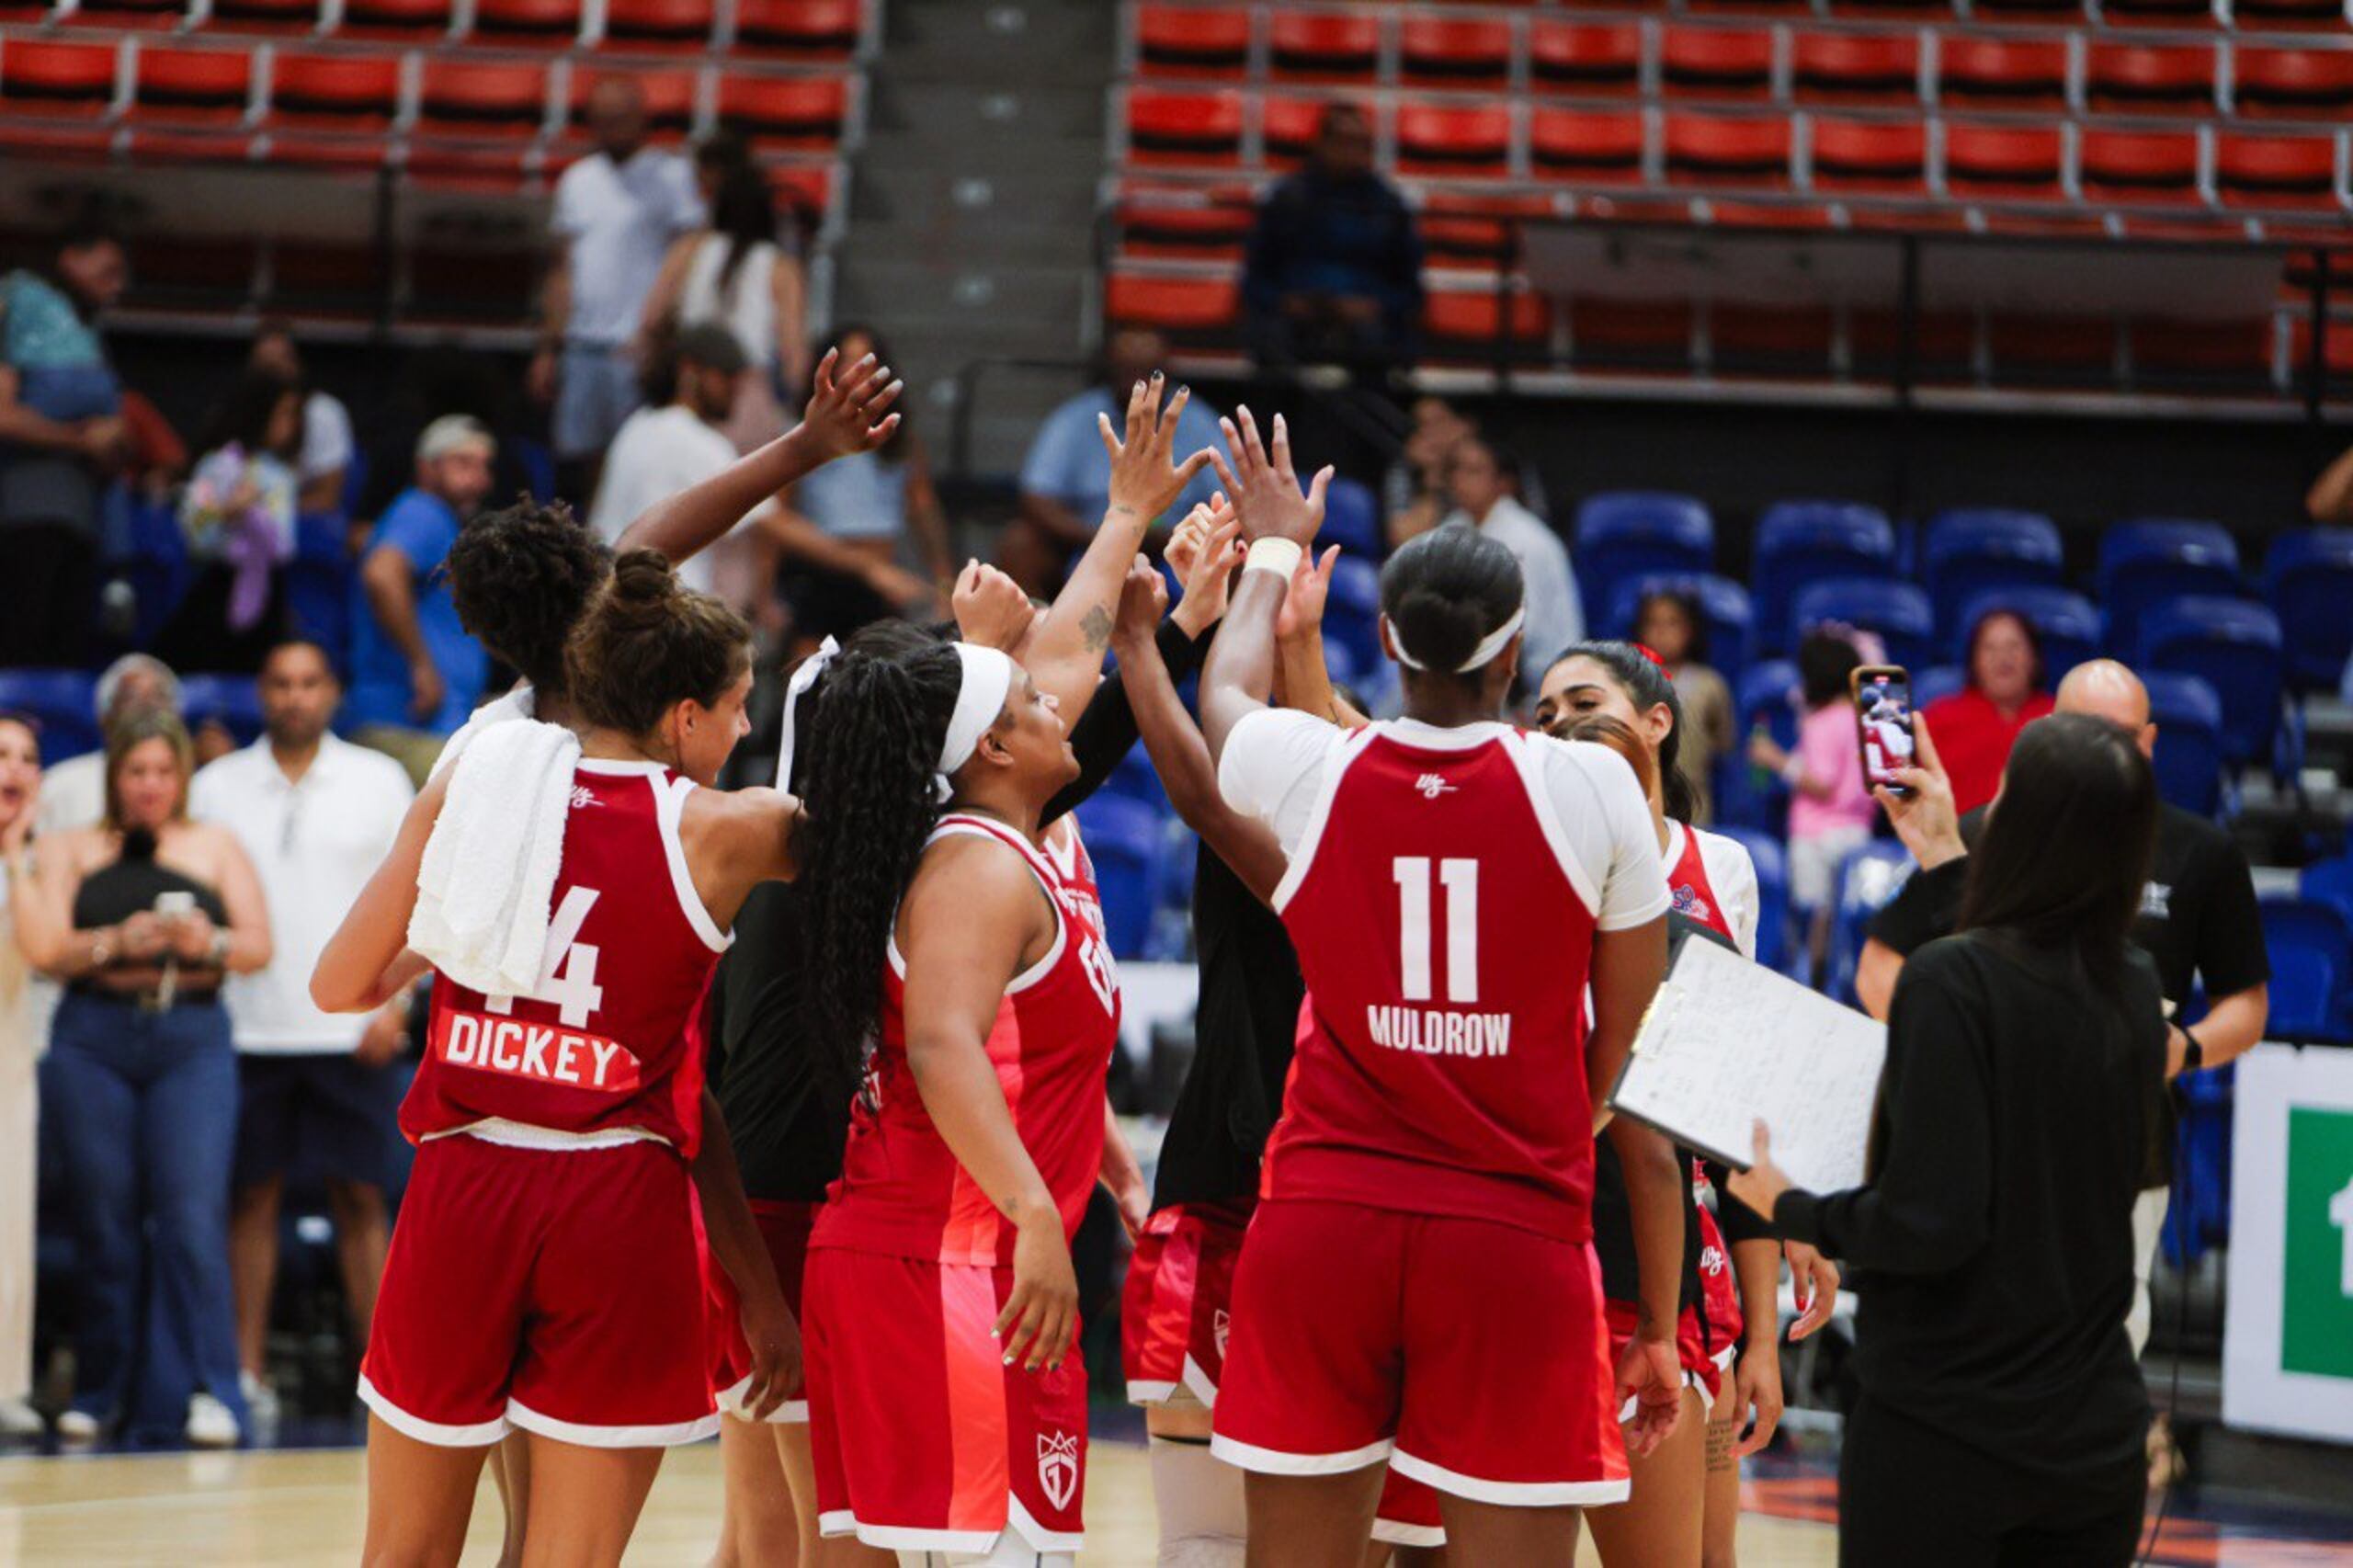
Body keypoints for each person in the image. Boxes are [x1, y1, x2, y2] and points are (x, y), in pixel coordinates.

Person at [411, 347, 905, 1565]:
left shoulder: (487, 746)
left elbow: (644, 545)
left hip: (478, 1131)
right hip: (601, 1160)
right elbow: (646, 544)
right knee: (560, 1530)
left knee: (474, 1515)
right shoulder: (701, 817)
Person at [1198, 411, 1683, 1566]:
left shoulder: (1312, 765)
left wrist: (1269, 551)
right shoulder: (1594, 789)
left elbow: (1223, 689)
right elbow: (1626, 1037)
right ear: (1515, 656)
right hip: (1512, 1226)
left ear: (1389, 641)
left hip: (1323, 1219)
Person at [312, 553, 799, 1565]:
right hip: (614, 1198)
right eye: (738, 707)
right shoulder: (728, 828)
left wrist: (432, 859)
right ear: (682, 717)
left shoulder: (479, 783)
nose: (745, 730)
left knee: (399, 1552)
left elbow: (339, 985)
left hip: (465, 1177)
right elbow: (900, 827)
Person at [790, 376, 1204, 1564]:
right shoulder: (974, 865)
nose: (1055, 686)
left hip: (965, 1256)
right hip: (951, 1261)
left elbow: (1068, 642)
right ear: (998, 746)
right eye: (1029, 693)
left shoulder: (999, 834)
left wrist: (1126, 510)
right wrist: (1034, 1212)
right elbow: (941, 1044)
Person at [1731, 712, 2169, 1568]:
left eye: (2007, 791)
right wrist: (1944, 863)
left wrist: (1786, 1202)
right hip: (2093, 1436)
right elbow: (2029, 966)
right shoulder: (2136, 989)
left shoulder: (1947, 982)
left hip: (1947, 1434)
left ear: (2026, 828)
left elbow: (1930, 1223)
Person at [1857, 660, 2269, 1359]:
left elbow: (2248, 1006)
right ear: (2050, 734)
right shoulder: (1985, 835)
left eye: (2121, 736)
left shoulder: (2203, 852)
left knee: (2108, 1344)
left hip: (2122, 1148)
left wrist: (2185, 1048)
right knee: (1980, 1335)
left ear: (2150, 743)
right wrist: (1956, 1048)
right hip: (1991, 1142)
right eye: (2084, 733)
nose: (2103, 752)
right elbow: (1880, 970)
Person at [1537, 642, 1843, 1568]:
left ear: (1654, 722)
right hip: (1567, 1246)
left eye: (1582, 700)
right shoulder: (1531, 871)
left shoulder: (1721, 871)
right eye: (1542, 710)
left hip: (1681, 1260)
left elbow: (1728, 1104)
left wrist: (1763, 1316)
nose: (1558, 721)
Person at [8, 711, 270, 1447]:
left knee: (190, 1216)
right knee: (104, 1220)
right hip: (94, 1035)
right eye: (135, 772)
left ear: (181, 776)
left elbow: (257, 944)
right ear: (113, 777)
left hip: (189, 1034)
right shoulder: (71, 846)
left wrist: (206, 939)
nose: (149, 785)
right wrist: (114, 942)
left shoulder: (213, 845)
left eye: (162, 771)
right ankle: (99, 1390)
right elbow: (52, 949)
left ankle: (216, 1390)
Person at [190, 641, 417, 1425]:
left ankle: (383, 1381)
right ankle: (244, 1373)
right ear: (261, 691)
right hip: (248, 1029)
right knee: (248, 1200)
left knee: (364, 1201)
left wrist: (398, 1008)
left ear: (333, 691)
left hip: (355, 1025)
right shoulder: (215, 785)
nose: (294, 696)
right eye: (280, 682)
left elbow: (414, 897)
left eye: (309, 682)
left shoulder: (378, 779)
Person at [530, 75, 707, 500]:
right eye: (600, 119)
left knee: (637, 455)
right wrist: (548, 346)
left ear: (641, 118)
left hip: (635, 345)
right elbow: (563, 269)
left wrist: (658, 330)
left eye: (618, 118)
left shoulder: (671, 175)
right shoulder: (578, 180)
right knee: (583, 461)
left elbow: (689, 254)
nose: (609, 128)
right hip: (582, 343)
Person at [0, 217, 131, 667]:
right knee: (23, 645)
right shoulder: (22, 302)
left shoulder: (89, 336)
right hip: (25, 517)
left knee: (66, 654)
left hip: (84, 523)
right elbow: (3, 414)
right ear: (72, 259)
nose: (117, 284)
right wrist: (81, 440)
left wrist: (112, 446)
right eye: (109, 268)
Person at [776, 324, 957, 647]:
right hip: (820, 574)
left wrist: (944, 581)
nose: (856, 373)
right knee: (810, 678)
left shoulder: (899, 439)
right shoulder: (802, 434)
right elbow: (775, 516)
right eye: (848, 361)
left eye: (866, 363)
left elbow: (923, 506)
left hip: (884, 580)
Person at [1009, 325, 1224, 593]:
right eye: (1128, 370)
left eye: (1150, 371)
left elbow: (1226, 497)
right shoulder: (1075, 418)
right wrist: (1105, 535)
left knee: (1235, 549)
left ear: (1167, 372)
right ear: (1109, 369)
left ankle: (1224, 633)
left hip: (1177, 542)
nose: (1141, 383)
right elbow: (1037, 495)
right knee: (1020, 542)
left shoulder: (1199, 421)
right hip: (1089, 540)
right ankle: (1035, 632)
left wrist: (1180, 535)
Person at [638, 134, 809, 452]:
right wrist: (801, 408)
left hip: (688, 388)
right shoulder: (781, 268)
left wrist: (652, 376)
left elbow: (651, 319)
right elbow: (793, 354)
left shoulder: (689, 249)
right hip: (746, 394)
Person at [349, 416, 496, 785]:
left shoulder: (435, 517)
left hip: (427, 724)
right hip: (404, 721)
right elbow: (382, 573)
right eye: (463, 463)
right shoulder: (422, 511)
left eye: (483, 466)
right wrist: (422, 665)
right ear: (427, 467)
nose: (479, 478)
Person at [1243, 103, 1425, 380]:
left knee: (1377, 344)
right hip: (1294, 315)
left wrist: (1375, 306)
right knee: (1270, 341)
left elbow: (1410, 289)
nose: (1352, 151)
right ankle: (1277, 422)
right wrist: (1284, 301)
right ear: (1322, 143)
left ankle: (1370, 422)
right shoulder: (1287, 200)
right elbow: (1256, 277)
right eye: (1343, 141)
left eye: (1361, 143)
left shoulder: (1388, 206)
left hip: (1365, 321)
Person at [158, 368, 302, 675]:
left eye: (294, 414)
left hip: (266, 594)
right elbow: (194, 535)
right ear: (259, 413)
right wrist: (228, 512)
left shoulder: (281, 475)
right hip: (218, 587)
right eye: (284, 413)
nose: (291, 424)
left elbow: (284, 546)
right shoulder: (218, 465)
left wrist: (258, 520)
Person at [1745, 630, 1871, 977]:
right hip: (1856, 833)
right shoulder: (1860, 716)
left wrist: (1773, 758)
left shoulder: (1824, 721)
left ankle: (1814, 983)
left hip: (1818, 836)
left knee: (1816, 922)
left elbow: (1821, 783)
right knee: (1840, 921)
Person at [1435, 435, 1580, 696]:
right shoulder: (1453, 525)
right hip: (1473, 658)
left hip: (1538, 677)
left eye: (1474, 471)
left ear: (1503, 482)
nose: (1460, 480)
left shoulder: (1529, 539)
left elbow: (1524, 628)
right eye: (1456, 469)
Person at [0, 713, 40, 1440]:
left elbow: (42, 947)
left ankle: (5, 1381)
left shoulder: (40, 856)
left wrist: (13, 851)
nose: (14, 767)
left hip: (11, 1055)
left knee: (8, 1220)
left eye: (26, 757)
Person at [1917, 607, 2054, 815]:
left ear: (2034, 658)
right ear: (1974, 661)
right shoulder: (1939, 717)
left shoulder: (2059, 718)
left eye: (2014, 646)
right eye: (1990, 648)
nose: (2003, 657)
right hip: (1955, 842)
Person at [38, 653, 183, 837]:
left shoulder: (199, 785)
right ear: (104, 715)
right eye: (132, 696)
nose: (147, 706)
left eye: (159, 696)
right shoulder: (59, 786)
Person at [1637, 590, 1734, 826]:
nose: (1661, 632)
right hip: (1640, 802)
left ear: (1690, 631)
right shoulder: (1630, 682)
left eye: (1672, 623)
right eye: (1653, 623)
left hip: (1694, 805)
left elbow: (1724, 744)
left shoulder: (1710, 684)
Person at [249, 319, 355, 517]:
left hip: (303, 519)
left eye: (281, 360)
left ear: (296, 363)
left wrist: (271, 515)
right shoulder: (238, 412)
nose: (273, 372)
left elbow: (328, 497)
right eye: (265, 365)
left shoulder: (323, 412)